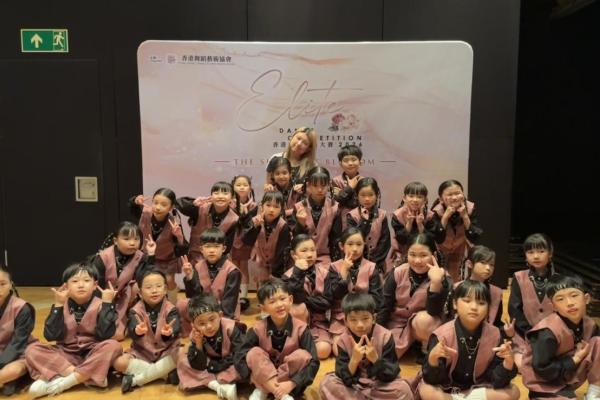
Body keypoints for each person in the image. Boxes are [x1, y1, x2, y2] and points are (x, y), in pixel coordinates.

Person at [26, 263, 122, 398]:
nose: (81, 285)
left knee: (113, 345)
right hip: (66, 354)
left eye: (86, 281)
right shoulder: (60, 304)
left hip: (92, 353)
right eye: (75, 281)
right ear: (66, 286)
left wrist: (107, 304)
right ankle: (88, 377)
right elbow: (51, 336)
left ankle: (65, 382)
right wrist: (58, 305)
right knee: (32, 349)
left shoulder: (102, 304)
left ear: (95, 285)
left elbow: (105, 335)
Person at [419, 280, 520, 400]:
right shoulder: (442, 335)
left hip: (478, 388)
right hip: (447, 388)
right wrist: (433, 359)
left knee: (514, 391)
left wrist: (508, 363)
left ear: (488, 308)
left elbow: (495, 380)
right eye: (467, 301)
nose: (474, 307)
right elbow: (432, 379)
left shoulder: (495, 334)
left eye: (481, 303)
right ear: (455, 304)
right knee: (427, 390)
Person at [234, 278, 320, 400]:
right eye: (272, 301)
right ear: (263, 308)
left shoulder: (301, 328)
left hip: (289, 384)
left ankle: (265, 390)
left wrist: (292, 383)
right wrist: (251, 377)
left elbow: (314, 362)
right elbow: (239, 355)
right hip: (265, 377)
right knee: (254, 353)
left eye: (282, 299)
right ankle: (281, 395)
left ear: (290, 300)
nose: (279, 305)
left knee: (303, 355)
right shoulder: (257, 329)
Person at [320, 293, 415, 400]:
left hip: (379, 385)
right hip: (354, 386)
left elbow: (391, 373)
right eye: (353, 320)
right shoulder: (343, 340)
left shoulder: (385, 336)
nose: (360, 325)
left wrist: (375, 359)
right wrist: (354, 360)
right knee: (327, 383)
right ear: (346, 322)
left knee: (403, 390)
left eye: (365, 318)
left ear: (373, 318)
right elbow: (342, 375)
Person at [520, 274, 600, 399]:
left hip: (569, 377)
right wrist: (576, 358)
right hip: (545, 384)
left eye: (574, 295)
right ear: (553, 306)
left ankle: (593, 393)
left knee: (598, 342)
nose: (569, 303)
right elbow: (542, 369)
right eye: (560, 299)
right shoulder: (546, 331)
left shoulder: (590, 325)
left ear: (586, 298)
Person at [377, 233, 450, 361]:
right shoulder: (398, 272)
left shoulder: (442, 277)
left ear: (433, 255)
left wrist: (435, 283)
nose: (417, 261)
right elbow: (385, 306)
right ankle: (409, 346)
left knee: (424, 320)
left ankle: (423, 347)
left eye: (423, 255)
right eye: (412, 255)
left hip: (423, 326)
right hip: (397, 324)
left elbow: (433, 311)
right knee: (381, 354)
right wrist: (376, 333)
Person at [113, 268, 181, 392]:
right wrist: (137, 331)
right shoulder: (135, 310)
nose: (154, 291)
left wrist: (169, 332)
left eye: (158, 286)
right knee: (119, 362)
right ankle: (164, 374)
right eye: (148, 287)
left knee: (181, 354)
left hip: (166, 352)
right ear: (140, 292)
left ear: (165, 289)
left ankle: (136, 380)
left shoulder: (171, 309)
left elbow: (175, 328)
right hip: (142, 353)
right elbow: (132, 331)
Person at [91, 221, 156, 340]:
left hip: (123, 300)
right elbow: (94, 287)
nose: (132, 243)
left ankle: (130, 318)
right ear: (115, 241)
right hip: (101, 299)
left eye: (136, 239)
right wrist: (104, 305)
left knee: (139, 286)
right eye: (126, 239)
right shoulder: (102, 257)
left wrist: (151, 255)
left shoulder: (140, 256)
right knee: (105, 333)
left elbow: (145, 277)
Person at [177, 293, 243, 399]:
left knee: (245, 364)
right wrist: (199, 344)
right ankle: (218, 386)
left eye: (212, 319)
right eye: (201, 324)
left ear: (220, 315)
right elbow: (198, 365)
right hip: (210, 365)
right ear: (193, 325)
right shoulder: (195, 335)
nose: (208, 326)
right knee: (182, 360)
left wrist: (217, 366)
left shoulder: (230, 327)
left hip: (228, 364)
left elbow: (240, 353)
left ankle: (208, 380)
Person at [178, 228, 242, 336]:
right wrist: (190, 276)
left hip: (223, 311)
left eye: (216, 246)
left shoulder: (232, 271)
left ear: (223, 248)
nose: (212, 250)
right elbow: (193, 297)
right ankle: (193, 334)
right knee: (181, 304)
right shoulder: (197, 266)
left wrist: (221, 323)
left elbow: (229, 304)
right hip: (203, 310)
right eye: (207, 246)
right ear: (201, 249)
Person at [329, 227, 383, 356]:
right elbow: (334, 296)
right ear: (341, 246)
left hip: (365, 318)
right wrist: (343, 272)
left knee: (372, 349)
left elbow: (377, 298)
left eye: (359, 244)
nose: (355, 248)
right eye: (350, 244)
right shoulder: (334, 267)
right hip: (341, 317)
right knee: (340, 351)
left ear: (364, 245)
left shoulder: (371, 267)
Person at [283, 234, 337, 359]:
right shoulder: (287, 276)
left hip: (318, 322)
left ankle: (302, 348)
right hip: (295, 323)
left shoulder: (325, 273)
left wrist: (305, 300)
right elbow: (292, 299)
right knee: (298, 307)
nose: (309, 254)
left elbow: (327, 302)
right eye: (304, 250)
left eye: (312, 250)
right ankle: (298, 340)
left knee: (323, 351)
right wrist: (298, 273)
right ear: (293, 254)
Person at [130, 187, 188, 303]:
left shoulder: (174, 221)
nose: (158, 207)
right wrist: (135, 201)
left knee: (169, 280)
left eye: (163, 204)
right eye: (155, 202)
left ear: (171, 207)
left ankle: (172, 305)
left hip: (167, 259)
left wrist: (179, 236)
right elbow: (132, 208)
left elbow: (182, 249)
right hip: (146, 257)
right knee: (139, 283)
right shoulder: (145, 213)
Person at [508, 233, 556, 366]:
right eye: (530, 252)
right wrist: (531, 333)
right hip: (525, 335)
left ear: (550, 253)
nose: (536, 256)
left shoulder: (559, 279)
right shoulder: (519, 277)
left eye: (541, 251)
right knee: (523, 365)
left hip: (554, 335)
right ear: (525, 255)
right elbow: (514, 310)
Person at [431, 180, 483, 281]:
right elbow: (437, 237)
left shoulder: (470, 208)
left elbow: (475, 236)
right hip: (441, 251)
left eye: (458, 193)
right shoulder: (436, 211)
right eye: (450, 195)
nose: (454, 197)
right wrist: (445, 216)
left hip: (461, 250)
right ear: (441, 199)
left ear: (463, 194)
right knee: (441, 280)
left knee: (459, 279)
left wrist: (465, 216)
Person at [449, 245, 508, 334]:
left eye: (491, 265)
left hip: (487, 336)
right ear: (469, 264)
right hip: (458, 334)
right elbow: (449, 317)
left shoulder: (496, 292)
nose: (488, 268)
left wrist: (506, 331)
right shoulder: (457, 287)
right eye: (483, 263)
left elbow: (496, 322)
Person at [177, 181, 239, 264]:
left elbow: (227, 247)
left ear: (232, 198)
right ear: (211, 196)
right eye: (216, 193)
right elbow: (178, 203)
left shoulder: (234, 219)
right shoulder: (201, 208)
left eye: (225, 193)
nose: (220, 196)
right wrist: (193, 204)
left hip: (217, 261)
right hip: (194, 258)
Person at [291, 166, 342, 267]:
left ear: (328, 185)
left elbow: (335, 240)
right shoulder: (298, 207)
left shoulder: (335, 207)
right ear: (308, 185)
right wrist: (300, 224)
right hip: (302, 258)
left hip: (326, 258)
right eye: (315, 185)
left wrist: (335, 264)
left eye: (323, 185)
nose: (319, 189)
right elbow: (295, 240)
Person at [0, 265, 36, 396]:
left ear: (11, 284)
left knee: (13, 371)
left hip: (20, 352)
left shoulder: (22, 308)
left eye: (2, 284)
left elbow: (18, 343)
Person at [242, 191, 292, 280]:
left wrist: (275, 273)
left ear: (281, 209)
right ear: (262, 206)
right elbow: (247, 241)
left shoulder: (283, 226)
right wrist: (256, 227)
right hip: (257, 262)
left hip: (276, 266)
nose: (271, 210)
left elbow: (282, 252)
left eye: (276, 207)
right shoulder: (254, 220)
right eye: (268, 205)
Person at [388, 181, 437, 271]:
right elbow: (401, 240)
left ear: (425, 200)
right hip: (401, 255)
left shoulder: (430, 216)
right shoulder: (397, 215)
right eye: (411, 196)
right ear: (404, 198)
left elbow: (431, 242)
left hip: (424, 257)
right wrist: (409, 223)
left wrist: (420, 224)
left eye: (419, 197)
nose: (415, 200)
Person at [347, 177, 391, 274]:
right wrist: (364, 221)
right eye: (363, 195)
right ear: (357, 196)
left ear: (377, 195)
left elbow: (385, 242)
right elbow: (353, 240)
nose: (367, 199)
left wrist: (374, 263)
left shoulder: (382, 215)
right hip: (356, 262)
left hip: (377, 264)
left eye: (371, 195)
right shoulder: (352, 216)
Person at [230, 175, 258, 311]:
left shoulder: (254, 205)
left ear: (250, 188)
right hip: (232, 240)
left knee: (244, 266)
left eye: (245, 185)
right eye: (238, 185)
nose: (242, 187)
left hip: (246, 241)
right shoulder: (230, 203)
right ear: (233, 187)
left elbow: (253, 226)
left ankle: (244, 297)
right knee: (234, 267)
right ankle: (234, 295)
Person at [266, 126, 318, 193]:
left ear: (308, 149)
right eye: (298, 138)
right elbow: (268, 185)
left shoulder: (312, 165)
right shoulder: (275, 158)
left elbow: (315, 190)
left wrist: (304, 188)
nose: (299, 144)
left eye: (304, 143)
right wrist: (268, 187)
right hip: (277, 199)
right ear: (292, 137)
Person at [332, 145, 363, 226]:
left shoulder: (364, 181)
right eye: (346, 160)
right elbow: (336, 202)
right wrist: (350, 188)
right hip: (341, 222)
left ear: (360, 162)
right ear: (340, 164)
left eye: (354, 159)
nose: (350, 163)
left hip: (360, 220)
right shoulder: (336, 181)